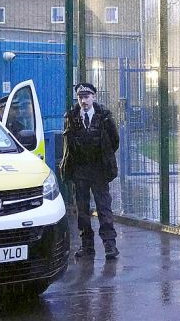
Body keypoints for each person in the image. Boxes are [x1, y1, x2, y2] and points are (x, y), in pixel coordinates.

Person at [59, 82, 120, 260]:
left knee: (104, 208)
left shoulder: (104, 117)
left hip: (99, 169)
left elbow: (114, 141)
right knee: (82, 210)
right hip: (80, 170)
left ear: (94, 97)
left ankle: (110, 246)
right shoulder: (71, 117)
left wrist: (103, 159)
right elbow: (68, 145)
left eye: (86, 97)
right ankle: (87, 246)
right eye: (80, 97)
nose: (83, 101)